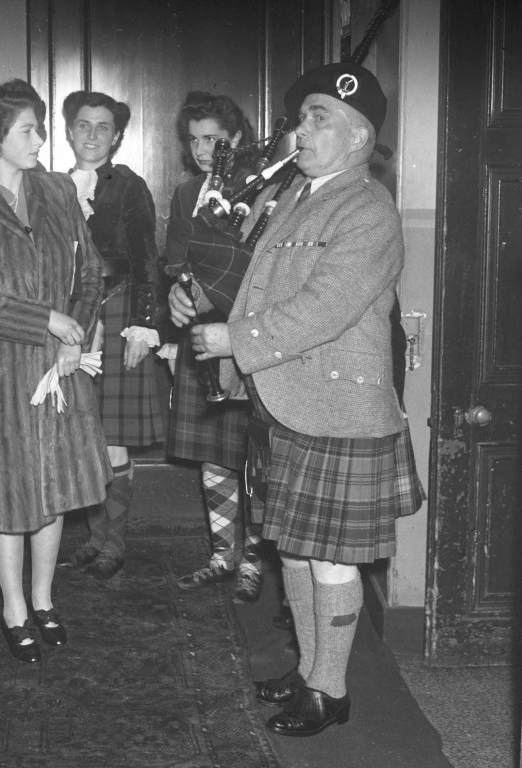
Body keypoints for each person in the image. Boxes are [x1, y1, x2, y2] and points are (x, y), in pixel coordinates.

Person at [171, 62, 424, 736]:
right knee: (296, 551)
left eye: (321, 119)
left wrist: (232, 339)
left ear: (361, 138)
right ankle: (312, 667)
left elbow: (323, 310)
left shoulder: (368, 209)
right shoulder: (295, 195)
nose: (301, 129)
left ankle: (330, 689)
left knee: (332, 558)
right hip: (285, 399)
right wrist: (201, 299)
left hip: (338, 411)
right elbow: (258, 283)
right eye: (302, 115)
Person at [0, 80, 111, 663]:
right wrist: (46, 319)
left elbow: (91, 272)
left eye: (41, 128)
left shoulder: (58, 190)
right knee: (11, 489)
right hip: (1, 367)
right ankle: (13, 606)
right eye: (29, 129)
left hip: (62, 364)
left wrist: (76, 330)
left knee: (57, 486)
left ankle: (45, 600)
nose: (41, 139)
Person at [163, 92, 266, 603]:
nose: (203, 149)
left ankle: (252, 559)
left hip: (246, 340)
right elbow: (174, 260)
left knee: (252, 456)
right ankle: (222, 554)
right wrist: (175, 293)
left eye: (214, 140)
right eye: (195, 139)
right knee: (213, 455)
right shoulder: (186, 193)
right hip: (200, 338)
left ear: (238, 140)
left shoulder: (264, 188)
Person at [58, 90, 166, 580]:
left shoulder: (127, 186)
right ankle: (94, 537)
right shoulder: (51, 186)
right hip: (70, 318)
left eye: (104, 127)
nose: (93, 136)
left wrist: (145, 323)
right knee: (84, 432)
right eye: (84, 125)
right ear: (68, 130)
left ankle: (113, 543)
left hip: (121, 310)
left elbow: (147, 260)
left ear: (117, 136)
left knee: (113, 438)